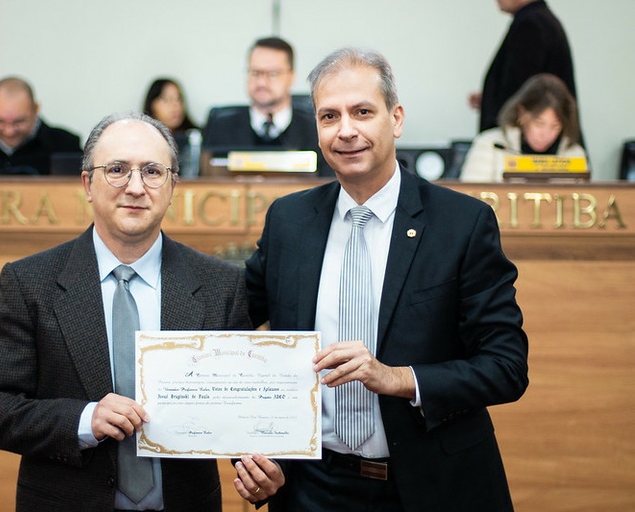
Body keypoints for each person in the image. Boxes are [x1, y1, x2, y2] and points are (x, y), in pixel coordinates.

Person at [236, 47, 529, 511]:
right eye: (329, 116)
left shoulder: (462, 224)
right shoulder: (289, 221)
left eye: (362, 112)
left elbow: (506, 367)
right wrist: (248, 454)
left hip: (433, 486)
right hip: (310, 488)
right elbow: (229, 330)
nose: (346, 130)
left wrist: (398, 378)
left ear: (396, 119)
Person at [0, 111, 252, 512]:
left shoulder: (221, 285)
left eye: (152, 171)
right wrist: (84, 420)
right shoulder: (30, 282)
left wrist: (258, 465)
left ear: (172, 187)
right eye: (117, 170)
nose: (135, 187)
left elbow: (240, 406)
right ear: (87, 183)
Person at [201, 36, 333, 177]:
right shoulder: (220, 126)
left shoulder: (315, 127)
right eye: (255, 73)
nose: (262, 82)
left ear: (291, 77)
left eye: (272, 74)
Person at [469, 0, 577, 134]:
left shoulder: (531, 24)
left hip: (530, 145)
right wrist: (489, 98)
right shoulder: (538, 19)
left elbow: (520, 90)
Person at [461, 73, 586, 182]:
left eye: (555, 126)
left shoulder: (574, 154)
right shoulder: (491, 145)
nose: (545, 134)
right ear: (522, 113)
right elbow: (470, 200)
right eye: (539, 124)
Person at [0, 76, 82, 174]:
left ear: (35, 108)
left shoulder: (66, 146)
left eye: (19, 122)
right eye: (0, 121)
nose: (9, 131)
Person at [142, 78, 201, 176]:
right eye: (166, 100)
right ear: (151, 105)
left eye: (179, 99)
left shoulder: (196, 137)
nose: (175, 106)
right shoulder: (141, 138)